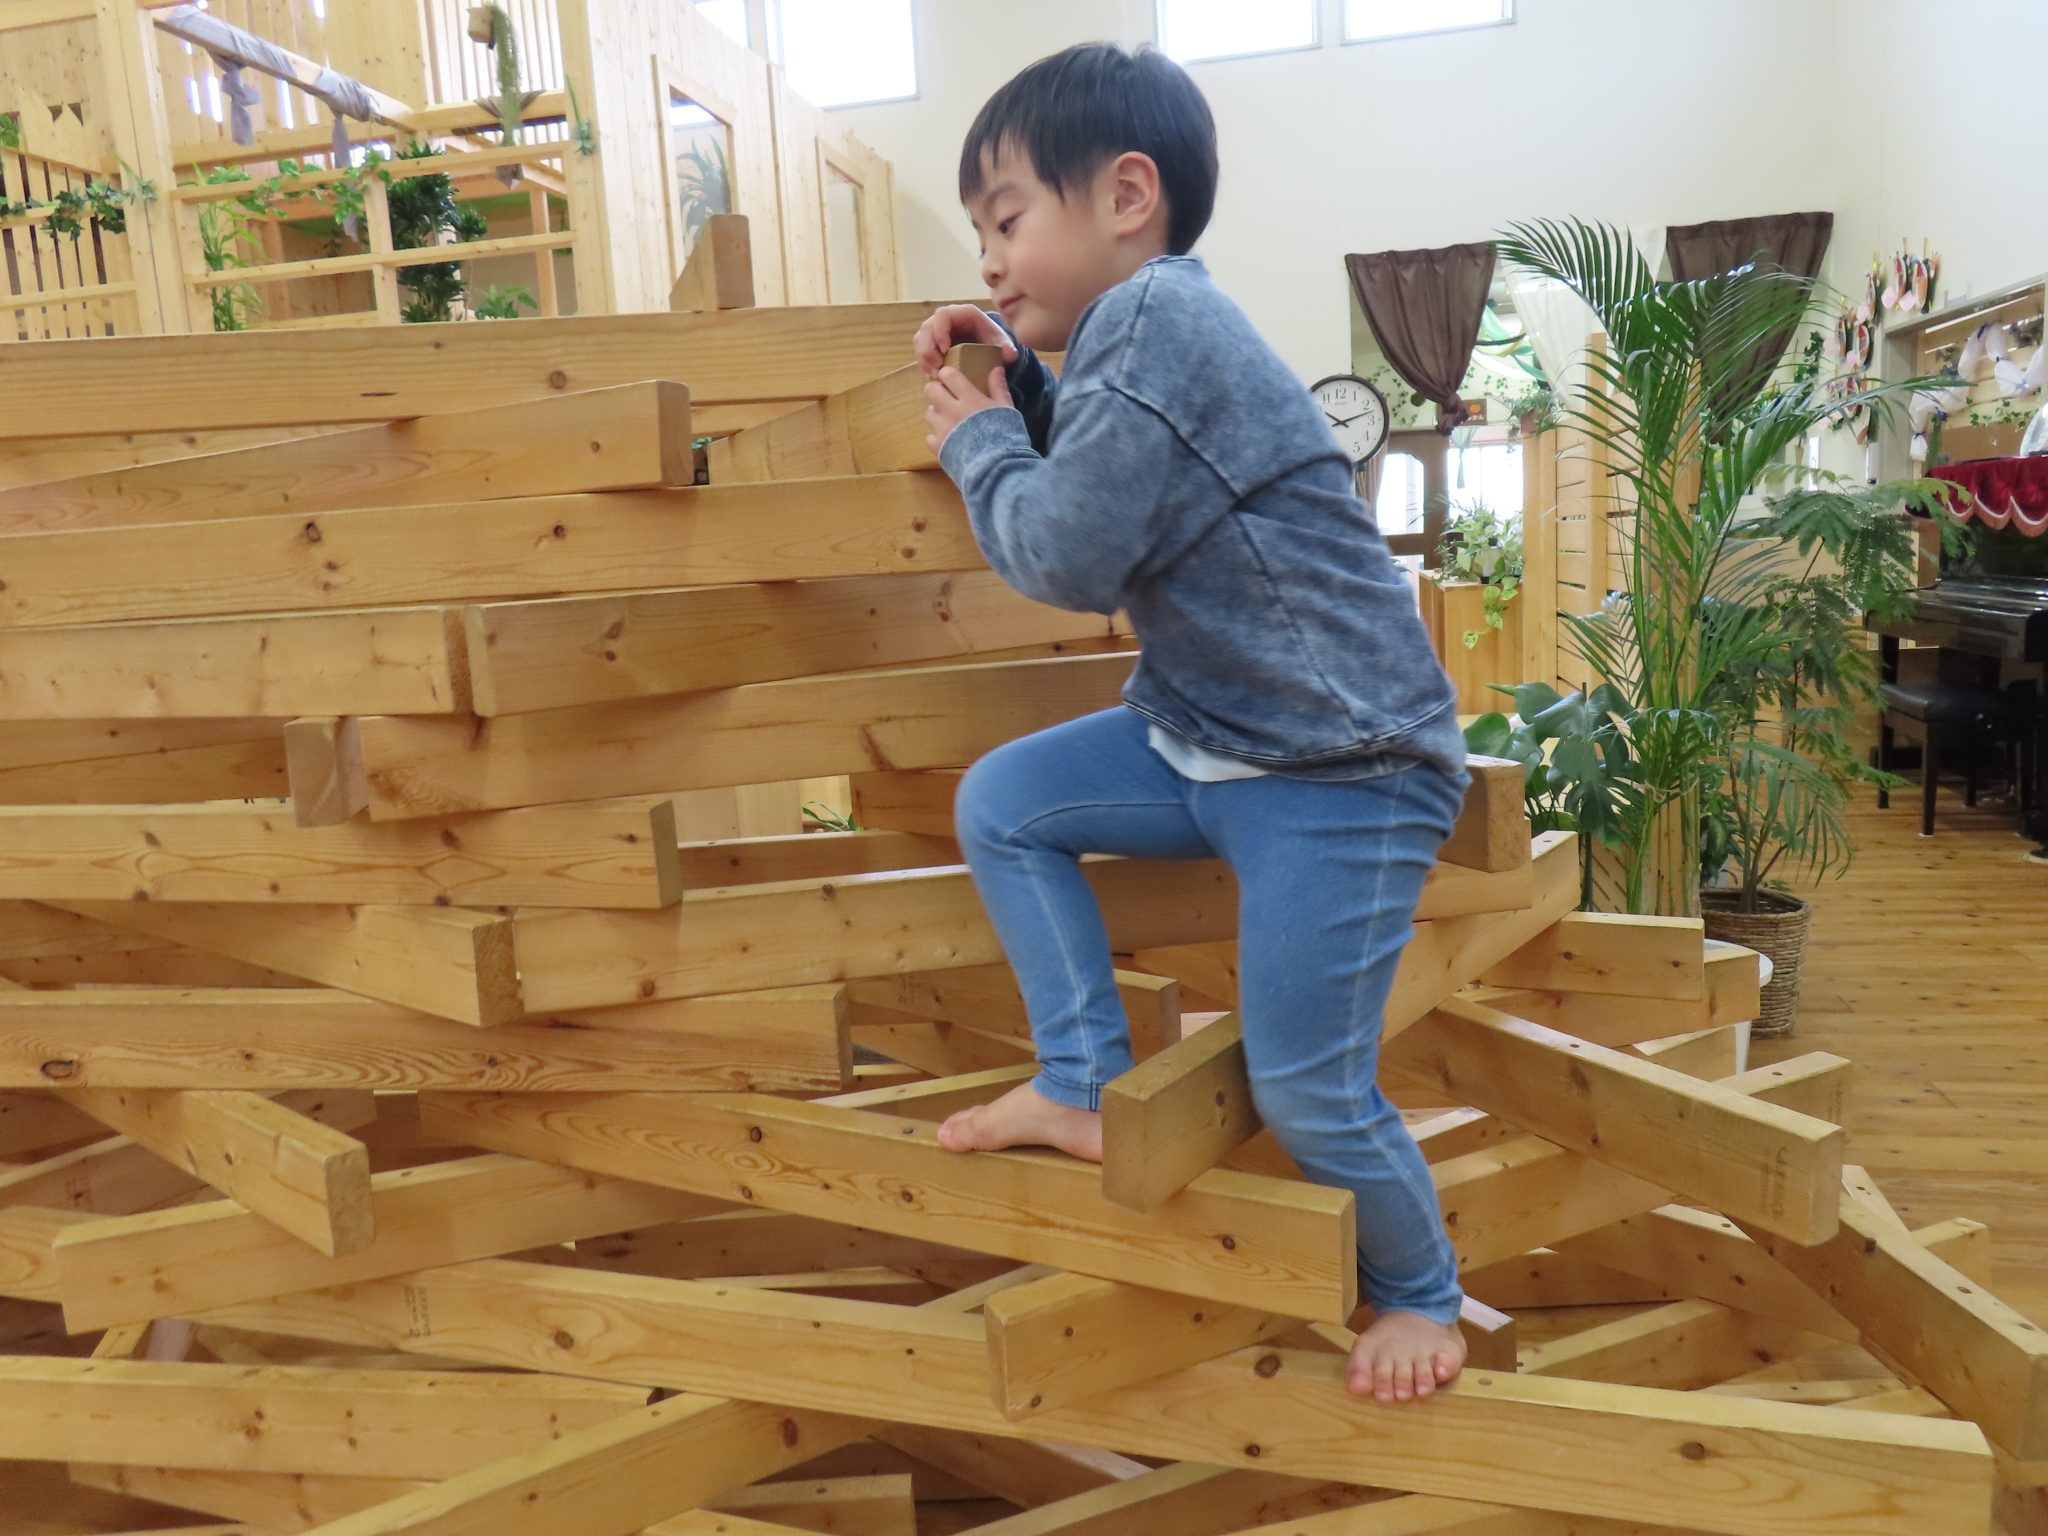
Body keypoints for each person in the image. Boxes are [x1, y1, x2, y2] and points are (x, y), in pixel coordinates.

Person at [914, 40, 1470, 1407]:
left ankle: (1421, 1292)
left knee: (1308, 1085)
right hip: (1210, 735)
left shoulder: (1158, 321)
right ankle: (1079, 1080)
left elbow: (1070, 551)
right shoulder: (1140, 337)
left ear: (1125, 197)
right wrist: (1021, 387)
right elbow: (1114, 469)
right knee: (1004, 804)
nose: (990, 260)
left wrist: (977, 441)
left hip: (1344, 770)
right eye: (981, 236)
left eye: (1006, 221)